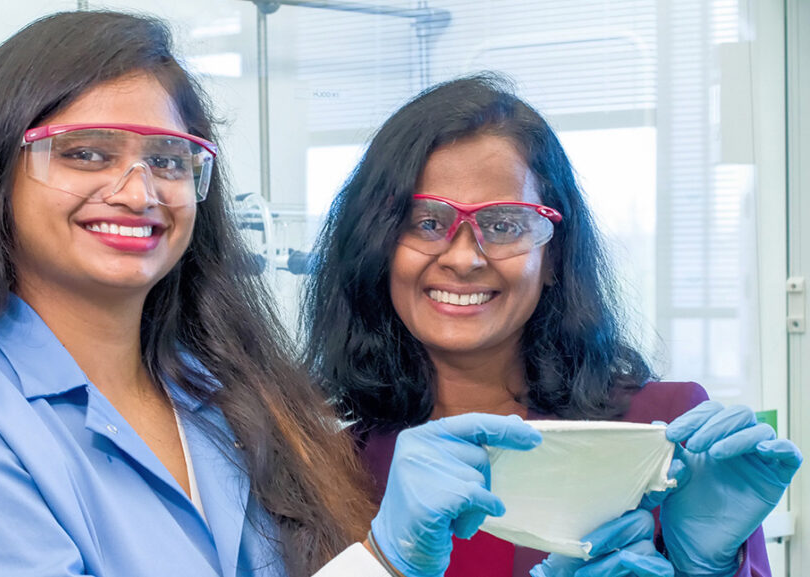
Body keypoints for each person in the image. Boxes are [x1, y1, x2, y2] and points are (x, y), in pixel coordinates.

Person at [0, 12, 562, 577]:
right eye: (86, 153)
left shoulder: (224, 402)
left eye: (170, 159)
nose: (138, 190)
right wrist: (383, 558)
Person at [303, 73, 802, 577]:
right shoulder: (324, 464)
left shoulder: (665, 432)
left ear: (554, 256)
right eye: (427, 222)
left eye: (502, 225)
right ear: (377, 246)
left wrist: (712, 567)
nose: (462, 258)